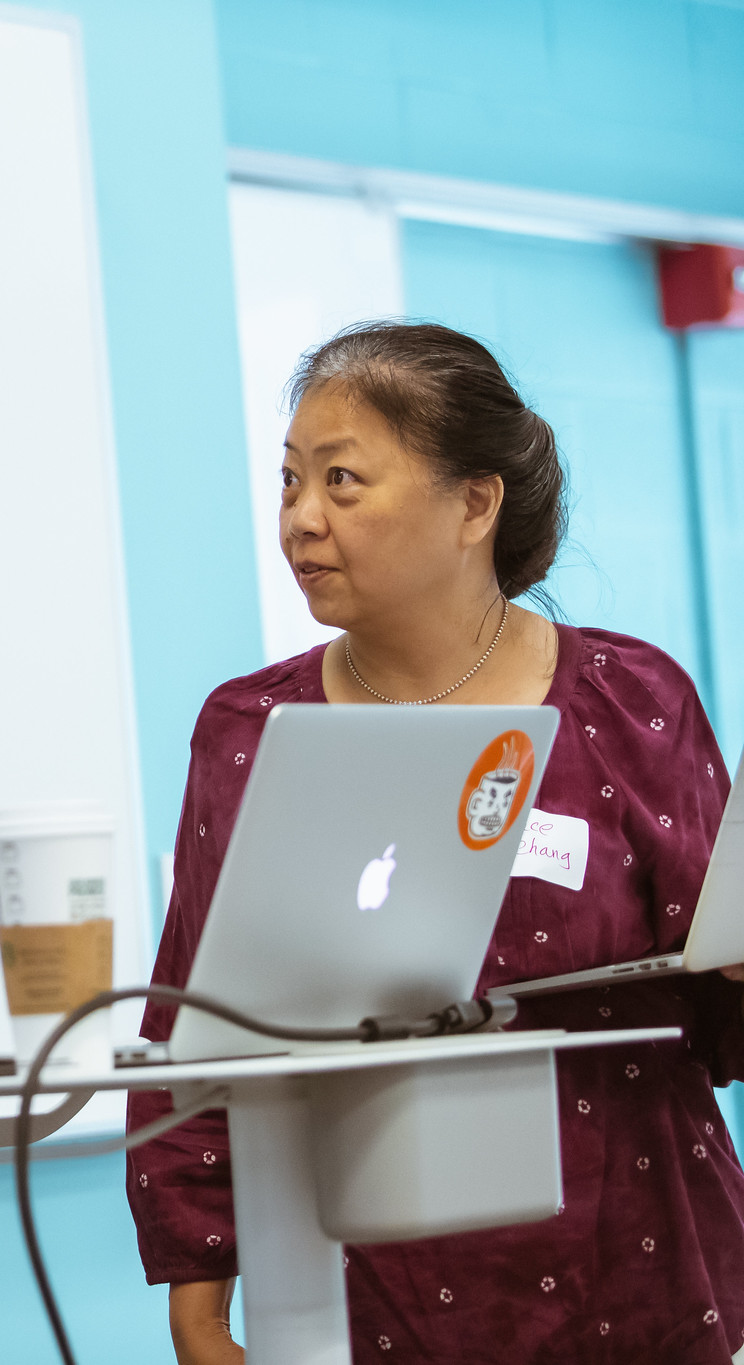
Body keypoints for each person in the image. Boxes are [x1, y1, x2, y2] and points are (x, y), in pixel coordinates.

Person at [128, 321, 744, 1363]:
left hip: (635, 1278)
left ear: (472, 502)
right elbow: (195, 1016)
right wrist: (197, 1301)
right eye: (287, 483)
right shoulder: (247, 730)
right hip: (357, 1294)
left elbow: (717, 1021)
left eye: (341, 481)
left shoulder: (628, 699)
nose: (299, 520)